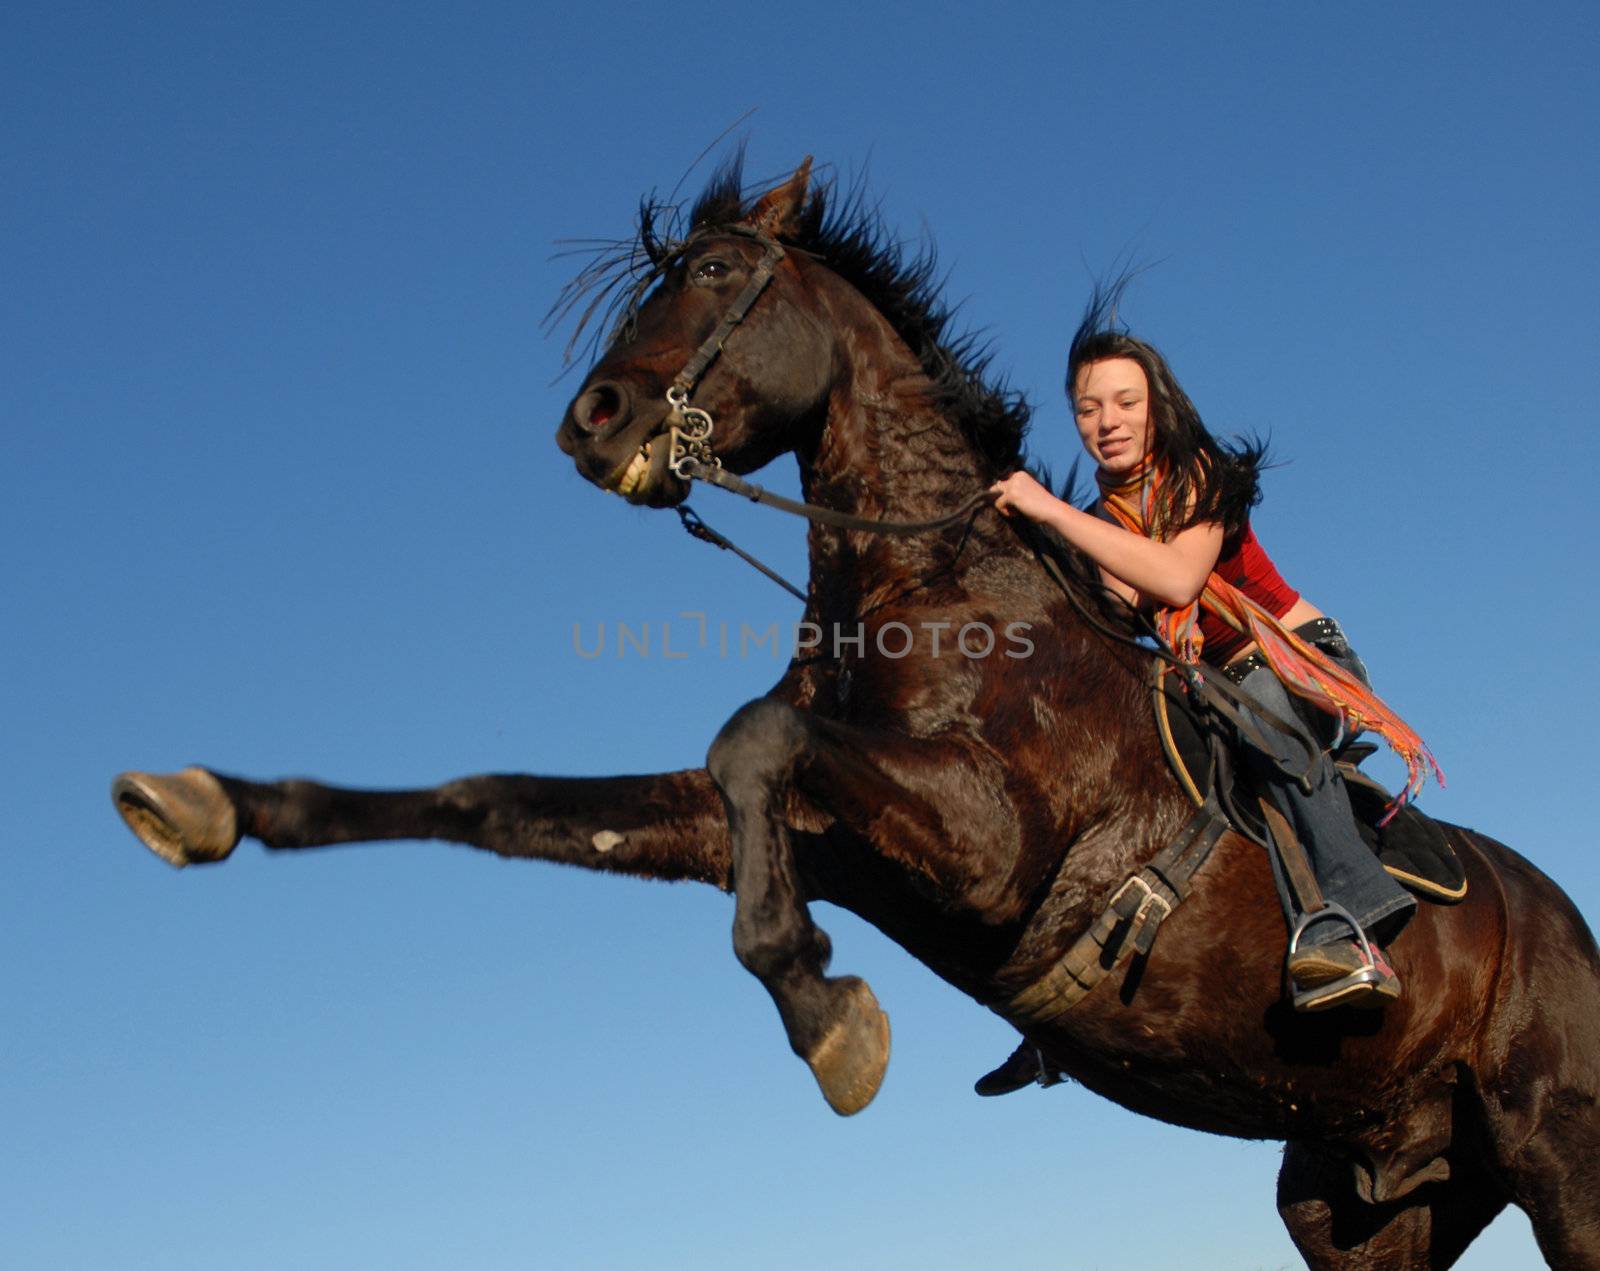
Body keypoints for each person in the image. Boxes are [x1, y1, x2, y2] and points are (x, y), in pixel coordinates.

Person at [976, 300, 1441, 1092]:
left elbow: (1178, 577)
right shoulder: (1102, 521)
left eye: (1125, 402)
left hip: (1296, 660)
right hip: (1208, 678)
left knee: (1256, 705)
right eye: (1087, 408)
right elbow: (1112, 610)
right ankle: (1059, 1005)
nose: (1106, 421)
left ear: (1158, 406)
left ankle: (1351, 919)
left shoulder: (1201, 474)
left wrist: (1047, 509)